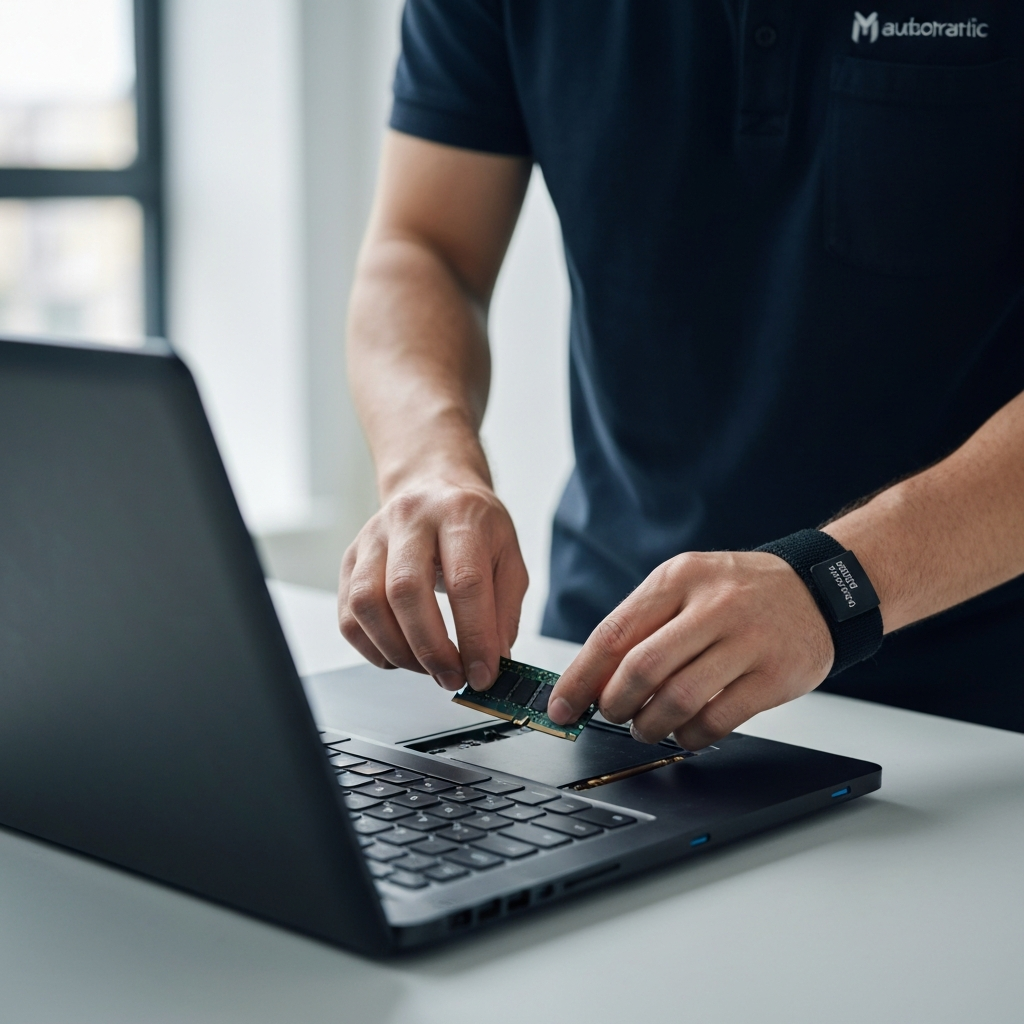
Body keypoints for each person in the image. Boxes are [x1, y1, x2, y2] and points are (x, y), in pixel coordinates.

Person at [338, 0, 1024, 748]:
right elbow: (425, 247)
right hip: (616, 684)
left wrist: (830, 586)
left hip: (982, 723)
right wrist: (429, 469)